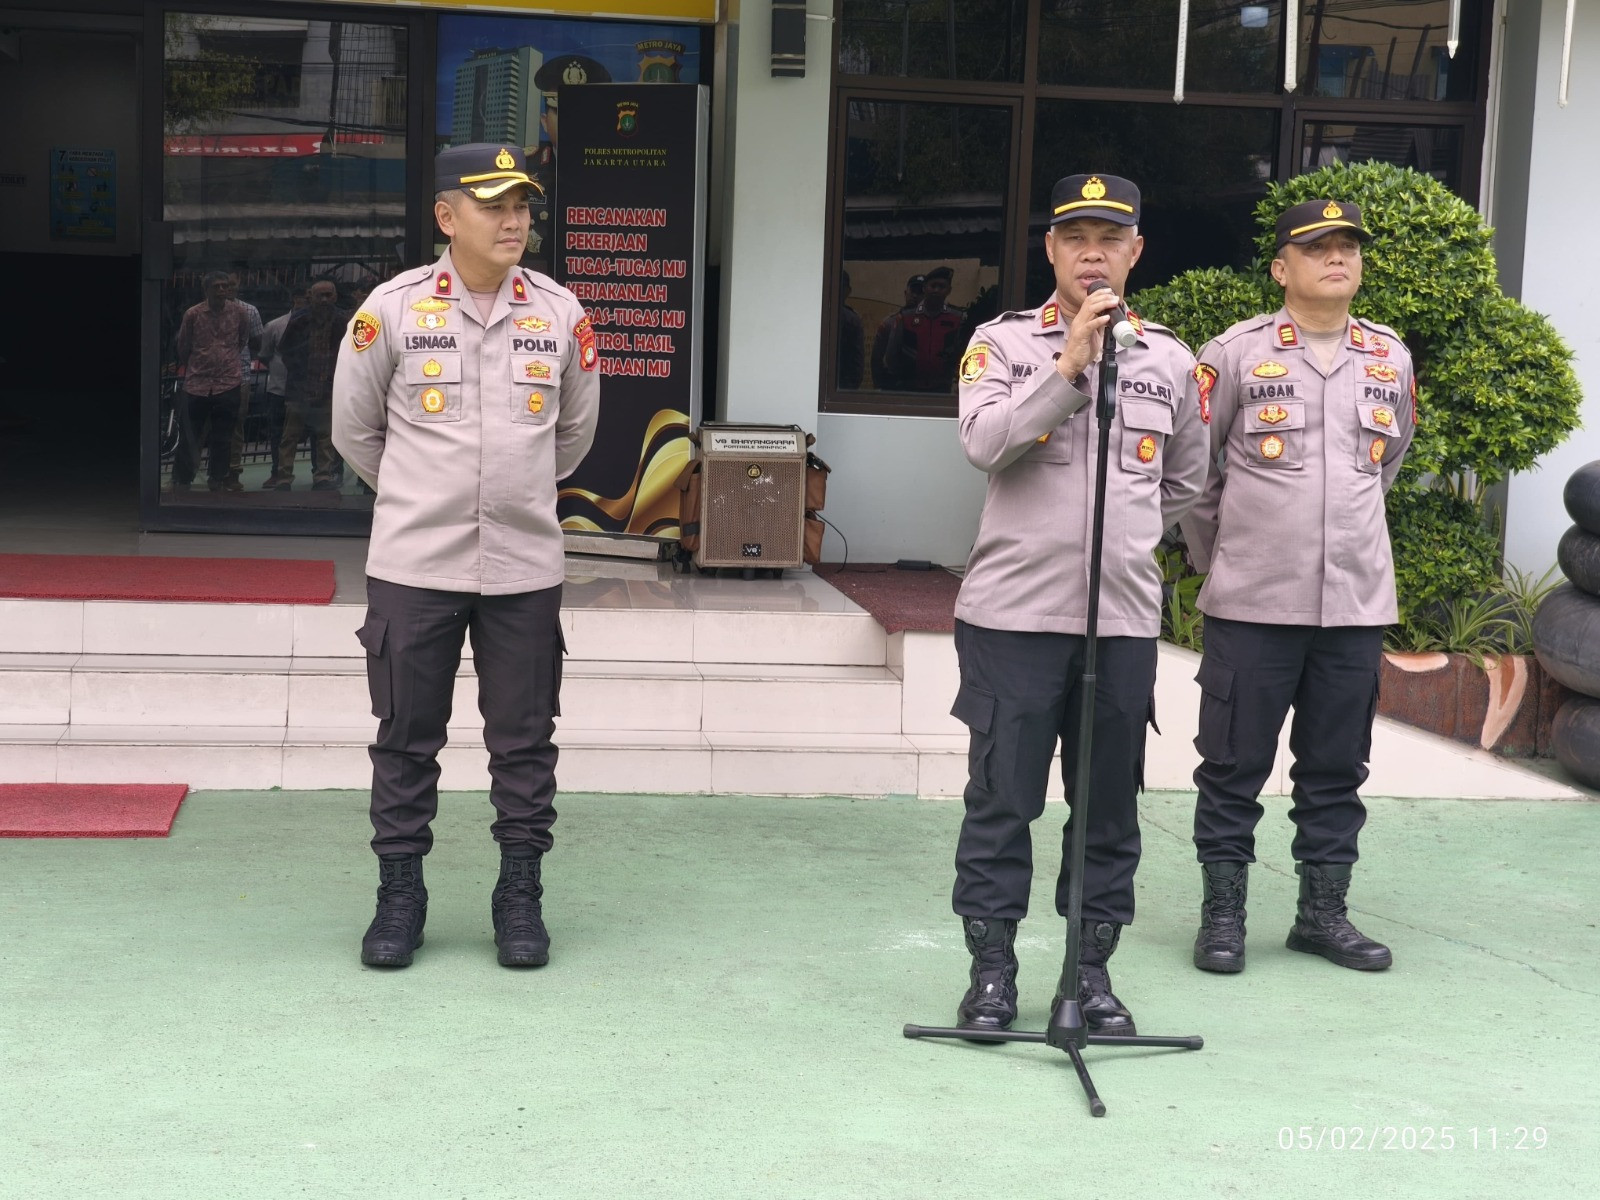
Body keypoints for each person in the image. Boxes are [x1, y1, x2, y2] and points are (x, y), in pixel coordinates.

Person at [947, 174, 1209, 1035]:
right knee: (1002, 802)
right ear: (1051, 251)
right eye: (1074, 237)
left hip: (1121, 621)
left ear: (1135, 253)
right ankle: (992, 974)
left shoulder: (1170, 359)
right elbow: (986, 444)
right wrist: (1067, 370)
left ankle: (1089, 976)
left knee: (1107, 811)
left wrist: (1123, 539)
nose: (1091, 251)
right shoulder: (1003, 346)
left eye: (1110, 237)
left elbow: (1184, 481)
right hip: (1014, 619)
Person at [333, 143, 601, 970]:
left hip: (524, 567)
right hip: (416, 566)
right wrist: (425, 495)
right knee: (406, 737)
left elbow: (573, 438)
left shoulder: (561, 315)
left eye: (522, 204)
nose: (515, 219)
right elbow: (354, 430)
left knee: (524, 742)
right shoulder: (394, 310)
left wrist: (505, 497)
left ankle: (519, 895)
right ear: (448, 217)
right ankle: (400, 897)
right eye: (494, 204)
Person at [1180, 199, 1416, 975]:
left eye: (1348, 246)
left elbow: (1386, 466)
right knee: (1232, 765)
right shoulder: (1235, 355)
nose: (1337, 257)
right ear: (1283, 268)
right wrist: (1230, 562)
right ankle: (1223, 916)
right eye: (1318, 248)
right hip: (1253, 603)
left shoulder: (1390, 359)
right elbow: (1197, 476)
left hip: (1352, 606)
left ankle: (1322, 915)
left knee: (1337, 767)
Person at [172, 270, 258, 492]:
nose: (221, 290)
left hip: (228, 382)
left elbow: (242, 340)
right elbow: (183, 345)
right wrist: (199, 363)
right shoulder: (193, 314)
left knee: (224, 436)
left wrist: (225, 362)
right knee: (191, 435)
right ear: (206, 290)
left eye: (224, 286)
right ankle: (183, 479)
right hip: (197, 383)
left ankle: (217, 478)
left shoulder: (239, 312)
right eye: (216, 286)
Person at [526, 54, 611, 263]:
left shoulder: (617, 170)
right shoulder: (524, 168)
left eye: (583, 112)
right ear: (545, 122)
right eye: (562, 112)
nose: (573, 121)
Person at [275, 279, 349, 491]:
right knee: (290, 436)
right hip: (301, 388)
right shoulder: (300, 320)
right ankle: (284, 477)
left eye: (329, 295)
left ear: (335, 296)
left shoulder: (342, 321)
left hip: (327, 387)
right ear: (311, 296)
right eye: (321, 295)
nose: (325, 300)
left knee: (325, 437)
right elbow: (286, 351)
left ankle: (322, 476)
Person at [885, 266, 965, 392]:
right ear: (925, 288)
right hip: (908, 387)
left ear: (949, 290)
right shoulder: (906, 316)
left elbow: (961, 353)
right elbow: (891, 354)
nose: (936, 290)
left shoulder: (957, 318)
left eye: (941, 286)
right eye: (933, 286)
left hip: (942, 388)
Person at [258, 288, 305, 487]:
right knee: (278, 433)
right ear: (296, 297)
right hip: (279, 388)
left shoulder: (323, 323)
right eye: (306, 295)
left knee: (317, 433)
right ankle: (278, 472)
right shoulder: (275, 325)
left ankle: (323, 475)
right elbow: (265, 354)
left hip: (308, 390)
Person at [224, 271, 265, 486]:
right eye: (223, 285)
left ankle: (232, 472)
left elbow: (258, 343)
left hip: (240, 376)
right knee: (202, 427)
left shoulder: (249, 311)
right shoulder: (200, 312)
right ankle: (191, 473)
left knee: (236, 426)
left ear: (238, 282)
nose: (227, 289)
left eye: (231, 284)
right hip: (209, 377)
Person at [870, 273, 922, 390]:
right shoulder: (890, 323)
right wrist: (879, 386)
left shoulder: (930, 325)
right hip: (893, 385)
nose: (915, 296)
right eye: (913, 291)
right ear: (905, 293)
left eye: (920, 292)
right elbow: (876, 359)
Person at [837, 270, 865, 389]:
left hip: (842, 384)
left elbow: (856, 361)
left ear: (847, 291)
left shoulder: (851, 320)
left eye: (840, 286)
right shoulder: (851, 319)